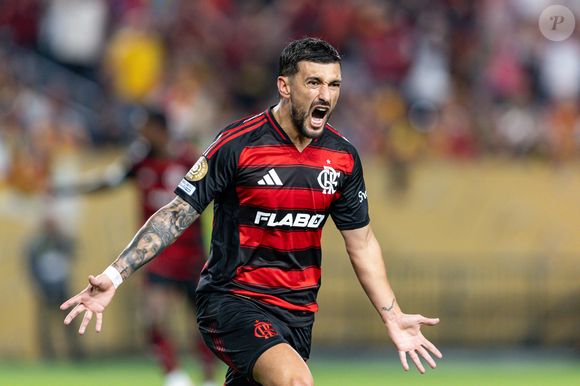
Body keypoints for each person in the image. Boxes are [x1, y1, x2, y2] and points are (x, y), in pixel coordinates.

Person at [61, 37, 442, 386]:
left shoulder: (342, 157)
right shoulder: (237, 145)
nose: (325, 94)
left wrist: (392, 315)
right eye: (314, 83)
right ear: (285, 86)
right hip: (232, 301)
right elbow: (176, 213)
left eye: (334, 84)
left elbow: (362, 243)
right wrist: (115, 274)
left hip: (297, 313)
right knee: (296, 382)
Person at [55, 109, 217, 386]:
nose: (139, 134)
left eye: (144, 128)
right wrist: (71, 189)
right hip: (155, 255)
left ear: (158, 128)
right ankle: (174, 375)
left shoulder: (190, 158)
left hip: (192, 256)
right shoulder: (138, 160)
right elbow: (109, 181)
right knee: (152, 315)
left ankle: (208, 378)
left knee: (204, 321)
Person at [26, 211, 83, 361]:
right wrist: (37, 286)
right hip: (45, 288)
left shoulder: (61, 241)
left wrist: (60, 236)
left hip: (62, 288)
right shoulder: (37, 244)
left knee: (70, 320)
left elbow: (73, 251)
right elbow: (31, 266)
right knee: (45, 325)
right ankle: (48, 355)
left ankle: (76, 354)